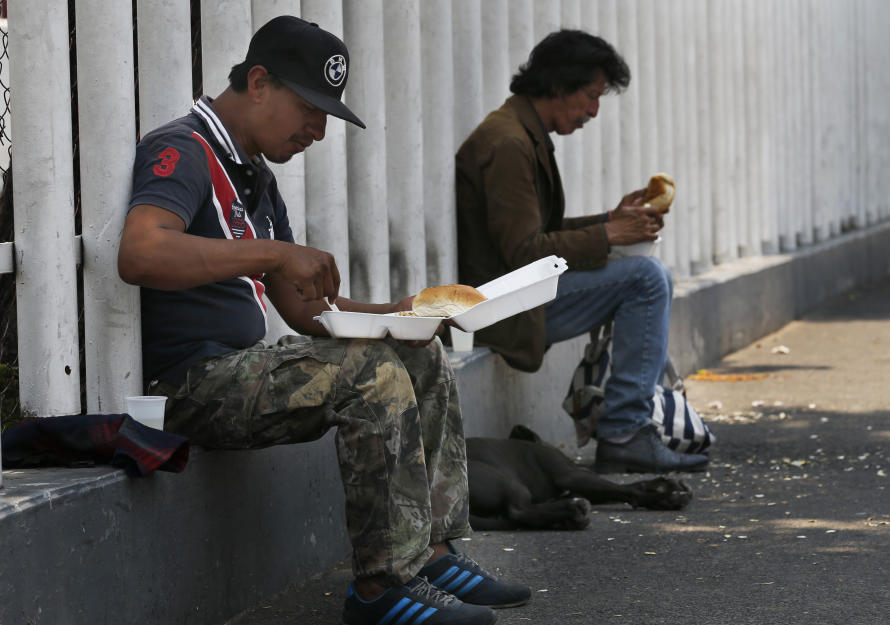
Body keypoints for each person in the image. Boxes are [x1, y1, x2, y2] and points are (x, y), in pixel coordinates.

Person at [118, 16, 527, 625]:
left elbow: (306, 311)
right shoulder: (182, 150)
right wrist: (275, 252)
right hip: (188, 383)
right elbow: (141, 252)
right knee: (372, 374)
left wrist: (408, 313)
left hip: (240, 373)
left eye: (327, 113)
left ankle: (432, 553)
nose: (318, 129)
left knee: (416, 352)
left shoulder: (253, 173)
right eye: (310, 107)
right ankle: (381, 590)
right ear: (259, 83)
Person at [455, 29, 709, 474]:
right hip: (502, 309)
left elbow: (539, 233)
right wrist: (610, 234)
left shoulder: (520, 132)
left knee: (654, 275)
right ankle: (626, 431)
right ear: (557, 86)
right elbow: (525, 251)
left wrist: (610, 220)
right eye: (591, 96)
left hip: (519, 295)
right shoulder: (509, 142)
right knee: (647, 279)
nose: (594, 110)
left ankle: (628, 427)